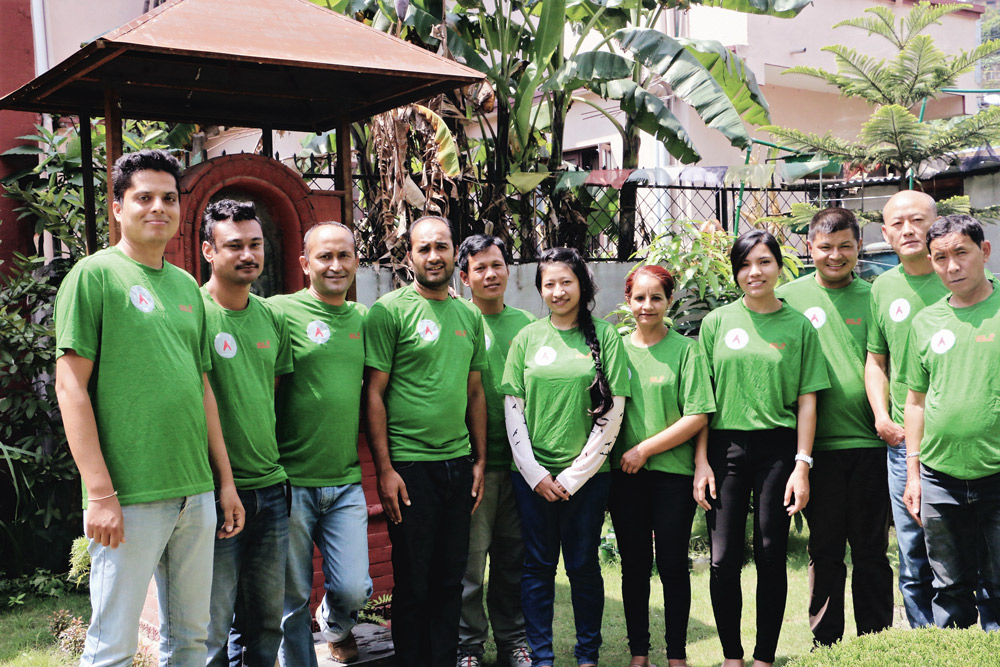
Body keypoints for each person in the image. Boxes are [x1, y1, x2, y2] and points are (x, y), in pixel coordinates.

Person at [54, 149, 244, 667]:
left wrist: (222, 483)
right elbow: (70, 387)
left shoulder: (186, 286)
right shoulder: (94, 277)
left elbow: (201, 387)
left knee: (191, 640)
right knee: (111, 646)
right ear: (118, 208)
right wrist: (99, 494)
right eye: (144, 197)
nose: (158, 207)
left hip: (195, 493)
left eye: (169, 197)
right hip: (130, 496)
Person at [696, 229, 829, 667]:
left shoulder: (799, 325)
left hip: (778, 451)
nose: (755, 272)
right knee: (722, 559)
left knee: (771, 553)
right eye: (745, 264)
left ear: (779, 266)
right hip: (724, 448)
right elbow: (702, 400)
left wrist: (801, 465)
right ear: (736, 271)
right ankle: (732, 657)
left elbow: (808, 400)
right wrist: (701, 462)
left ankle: (764, 658)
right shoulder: (716, 322)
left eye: (764, 262)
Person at [364, 215, 488, 667]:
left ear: (455, 251)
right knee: (414, 581)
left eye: (442, 246)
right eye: (424, 248)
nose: (434, 256)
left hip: (457, 465)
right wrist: (386, 470)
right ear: (409, 255)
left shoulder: (468, 314)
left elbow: (475, 392)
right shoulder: (388, 311)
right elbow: (373, 394)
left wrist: (478, 460)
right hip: (410, 468)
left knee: (450, 578)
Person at [501, 247, 630, 667]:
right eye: (549, 283)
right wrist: (536, 473)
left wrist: (575, 476)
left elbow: (613, 413)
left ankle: (587, 655)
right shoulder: (526, 338)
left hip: (589, 480)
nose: (558, 291)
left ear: (583, 285)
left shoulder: (605, 338)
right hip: (532, 478)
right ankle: (541, 656)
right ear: (540, 288)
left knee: (582, 565)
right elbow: (513, 410)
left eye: (566, 282)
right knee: (537, 568)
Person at [776, 208, 893, 647]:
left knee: (871, 552)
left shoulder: (875, 297)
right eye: (825, 247)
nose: (835, 255)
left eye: (845, 246)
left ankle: (876, 643)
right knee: (824, 552)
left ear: (859, 247)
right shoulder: (787, 297)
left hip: (870, 443)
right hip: (814, 450)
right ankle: (825, 644)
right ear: (810, 248)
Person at [269, 221, 372, 666]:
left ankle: (333, 624)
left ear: (356, 261)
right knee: (290, 597)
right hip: (290, 481)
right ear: (304, 262)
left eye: (343, 256)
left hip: (346, 480)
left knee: (354, 586)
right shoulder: (279, 312)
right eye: (324, 256)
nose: (335, 265)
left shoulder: (366, 320)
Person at [200, 199, 293, 667]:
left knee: (264, 623)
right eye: (233, 245)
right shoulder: (192, 312)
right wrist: (222, 483)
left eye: (254, 244)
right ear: (208, 251)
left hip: (271, 490)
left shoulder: (271, 317)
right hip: (212, 493)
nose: (247, 254)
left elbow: (269, 393)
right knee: (210, 628)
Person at [609, 265, 715, 667]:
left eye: (656, 297)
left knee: (672, 565)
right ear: (628, 300)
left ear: (669, 301)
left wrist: (646, 450)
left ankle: (676, 656)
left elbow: (698, 415)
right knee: (633, 566)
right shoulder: (614, 347)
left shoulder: (686, 350)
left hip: (672, 474)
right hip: (625, 478)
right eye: (639, 298)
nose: (647, 305)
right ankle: (640, 654)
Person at [902, 214, 1000, 629]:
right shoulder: (926, 322)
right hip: (939, 478)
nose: (951, 266)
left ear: (985, 252)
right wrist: (913, 474)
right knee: (948, 587)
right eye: (940, 257)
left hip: (996, 474)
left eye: (961, 253)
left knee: (998, 585)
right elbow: (915, 402)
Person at [455, 235, 534, 667]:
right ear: (464, 276)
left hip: (522, 467)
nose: (490, 274)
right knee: (471, 566)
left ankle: (513, 642)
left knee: (513, 560)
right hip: (473, 467)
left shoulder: (527, 325)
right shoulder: (457, 321)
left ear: (509, 271)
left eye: (497, 265)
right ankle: (468, 647)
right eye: (480, 267)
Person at [864, 190, 942, 628]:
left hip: (964, 441)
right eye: (898, 223)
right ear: (885, 233)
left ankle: (976, 641)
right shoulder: (883, 287)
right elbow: (876, 360)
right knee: (912, 550)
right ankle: (924, 639)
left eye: (918, 220)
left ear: (936, 222)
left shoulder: (962, 277)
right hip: (902, 445)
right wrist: (881, 417)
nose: (909, 230)